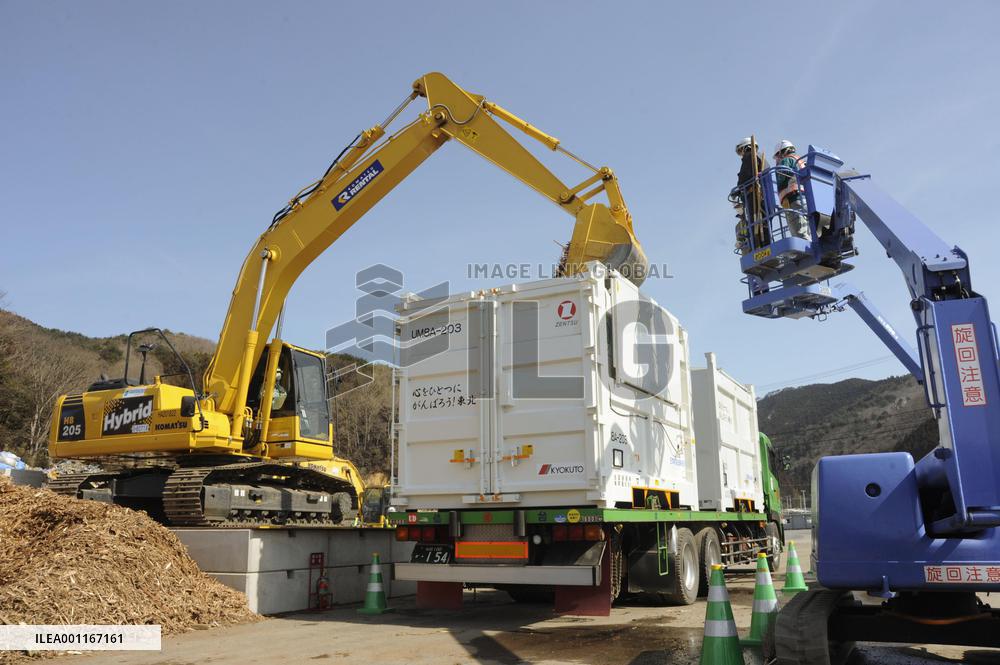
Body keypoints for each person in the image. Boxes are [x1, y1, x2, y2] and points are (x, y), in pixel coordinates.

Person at [732, 137, 769, 252]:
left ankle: (759, 248)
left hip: (754, 195)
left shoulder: (749, 157)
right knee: (763, 223)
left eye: (741, 151)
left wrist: (738, 189)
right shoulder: (761, 158)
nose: (741, 155)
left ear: (745, 148)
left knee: (756, 223)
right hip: (764, 196)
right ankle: (766, 245)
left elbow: (744, 176)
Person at [773, 139, 809, 240]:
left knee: (799, 234)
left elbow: (781, 177)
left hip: (793, 200)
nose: (776, 160)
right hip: (805, 199)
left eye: (776, 157)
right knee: (807, 230)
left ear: (781, 152)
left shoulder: (786, 160)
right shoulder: (801, 161)